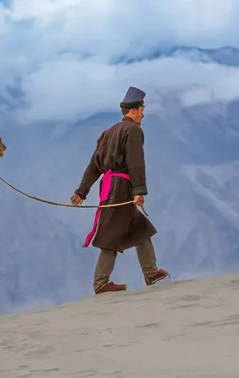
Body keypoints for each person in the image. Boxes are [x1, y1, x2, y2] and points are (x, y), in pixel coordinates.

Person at [70, 86, 168, 294]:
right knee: (112, 231)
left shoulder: (108, 132)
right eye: (141, 108)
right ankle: (101, 283)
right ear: (133, 111)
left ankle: (150, 273)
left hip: (109, 186)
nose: (143, 113)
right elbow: (136, 163)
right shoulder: (133, 130)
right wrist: (138, 191)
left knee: (140, 228)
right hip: (122, 187)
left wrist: (82, 191)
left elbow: (94, 165)